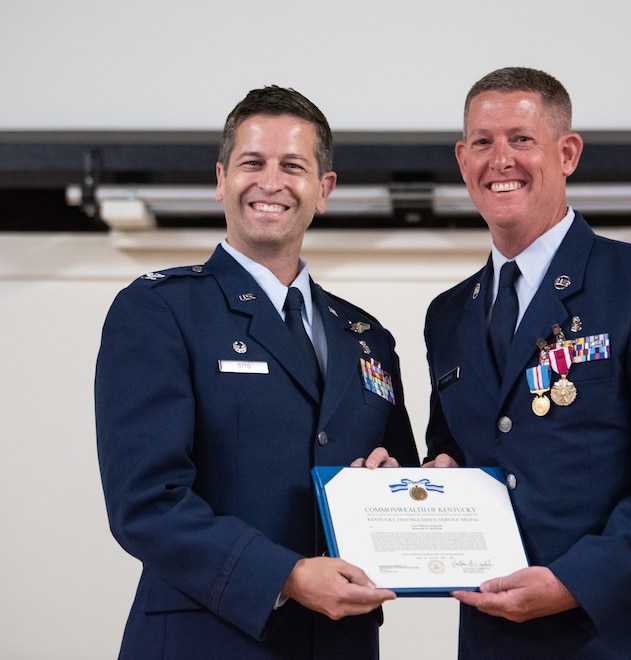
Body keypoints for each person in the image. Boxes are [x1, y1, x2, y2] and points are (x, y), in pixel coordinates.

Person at [95, 85, 420, 660]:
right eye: (252, 163)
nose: (270, 182)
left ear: (324, 190)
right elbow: (146, 501)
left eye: (293, 166)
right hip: (209, 639)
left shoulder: (366, 336)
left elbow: (399, 474)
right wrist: (287, 575)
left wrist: (391, 482)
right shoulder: (159, 310)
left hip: (341, 644)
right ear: (221, 178)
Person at [423, 67, 631, 659]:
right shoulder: (447, 315)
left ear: (566, 153)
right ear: (463, 160)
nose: (501, 160)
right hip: (497, 635)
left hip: (628, 633)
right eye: (483, 143)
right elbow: (459, 452)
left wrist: (577, 582)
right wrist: (425, 480)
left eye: (521, 139)